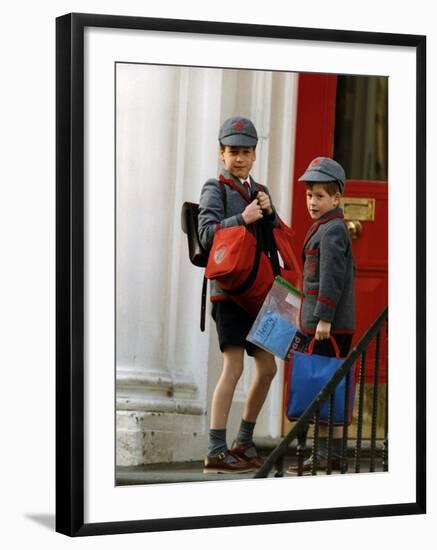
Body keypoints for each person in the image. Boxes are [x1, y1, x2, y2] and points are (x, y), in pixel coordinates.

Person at [198, 116, 279, 474]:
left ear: (255, 155)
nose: (239, 158)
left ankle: (243, 442)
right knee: (233, 365)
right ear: (221, 153)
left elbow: (273, 241)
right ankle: (216, 449)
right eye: (233, 152)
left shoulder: (260, 190)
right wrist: (243, 218)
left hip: (261, 293)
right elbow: (206, 234)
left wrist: (271, 214)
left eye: (245, 152)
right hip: (229, 293)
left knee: (268, 367)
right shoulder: (214, 188)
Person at [288, 156, 356, 473]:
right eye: (308, 195)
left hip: (328, 325)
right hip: (321, 323)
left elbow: (331, 277)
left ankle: (326, 454)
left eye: (319, 196)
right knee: (327, 385)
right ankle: (331, 453)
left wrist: (324, 318)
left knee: (325, 387)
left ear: (336, 197)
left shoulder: (332, 231)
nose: (312, 202)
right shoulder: (323, 228)